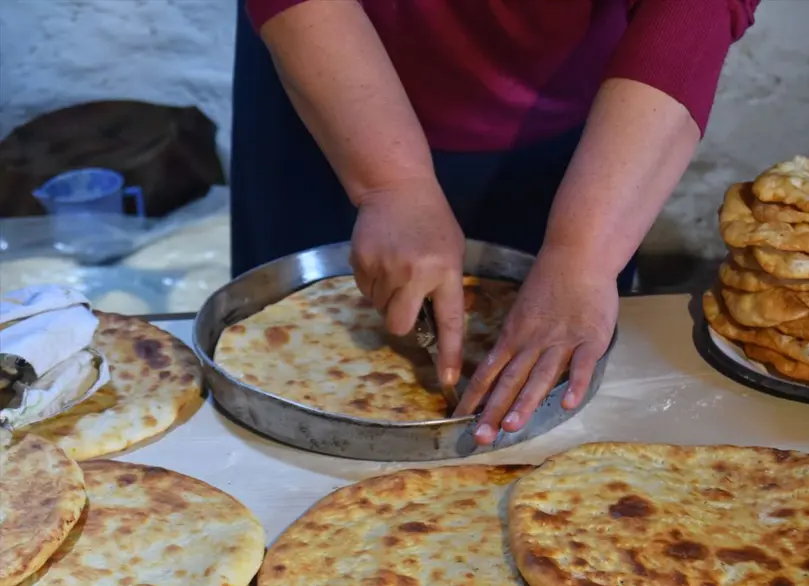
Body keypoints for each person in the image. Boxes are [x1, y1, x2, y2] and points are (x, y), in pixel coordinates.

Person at [232, 0, 760, 445]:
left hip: (571, 113)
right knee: (280, 421)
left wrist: (582, 258)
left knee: (550, 419)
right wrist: (388, 181)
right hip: (327, 69)